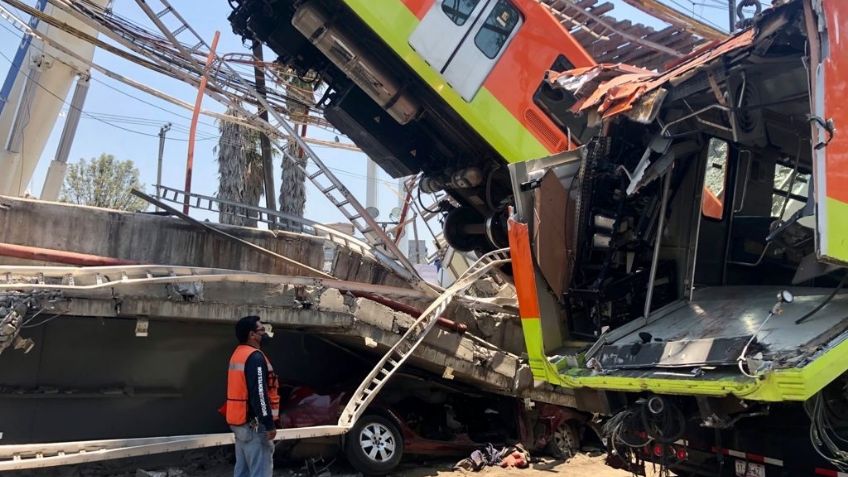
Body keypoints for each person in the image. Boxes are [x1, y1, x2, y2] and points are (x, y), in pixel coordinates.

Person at [224, 316, 280, 477]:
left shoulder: (238, 354)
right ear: (252, 335)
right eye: (262, 330)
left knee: (243, 471)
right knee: (260, 471)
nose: (265, 334)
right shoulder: (255, 357)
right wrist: (268, 423)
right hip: (254, 426)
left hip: (239, 422)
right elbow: (259, 394)